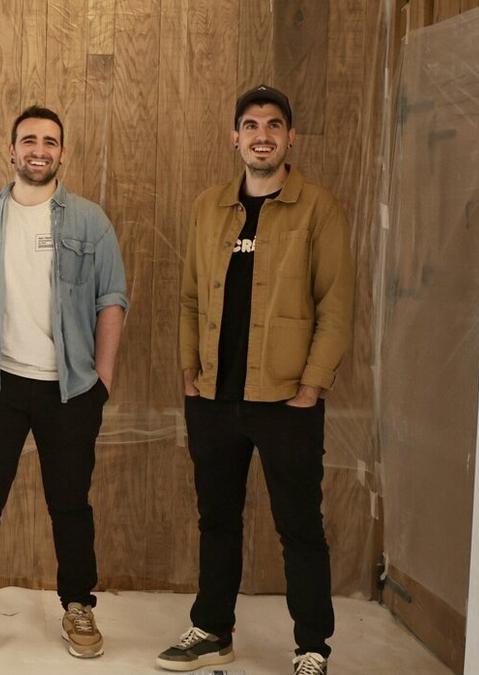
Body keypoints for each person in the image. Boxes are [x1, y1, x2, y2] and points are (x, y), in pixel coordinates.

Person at [155, 85, 354, 675]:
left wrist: (311, 386)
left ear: (290, 138)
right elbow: (190, 296)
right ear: (235, 137)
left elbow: (336, 306)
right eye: (250, 124)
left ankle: (312, 646)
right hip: (214, 396)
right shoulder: (208, 206)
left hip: (287, 400)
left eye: (273, 125)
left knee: (299, 526)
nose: (261, 135)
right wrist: (190, 374)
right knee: (217, 519)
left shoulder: (318, 208)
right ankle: (213, 630)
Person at [0, 105, 128, 659]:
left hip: (69, 388)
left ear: (62, 152)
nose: (39, 149)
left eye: (49, 141)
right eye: (29, 140)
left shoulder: (90, 221)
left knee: (71, 503)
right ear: (11, 150)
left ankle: (78, 605)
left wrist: (103, 379)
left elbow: (111, 300)